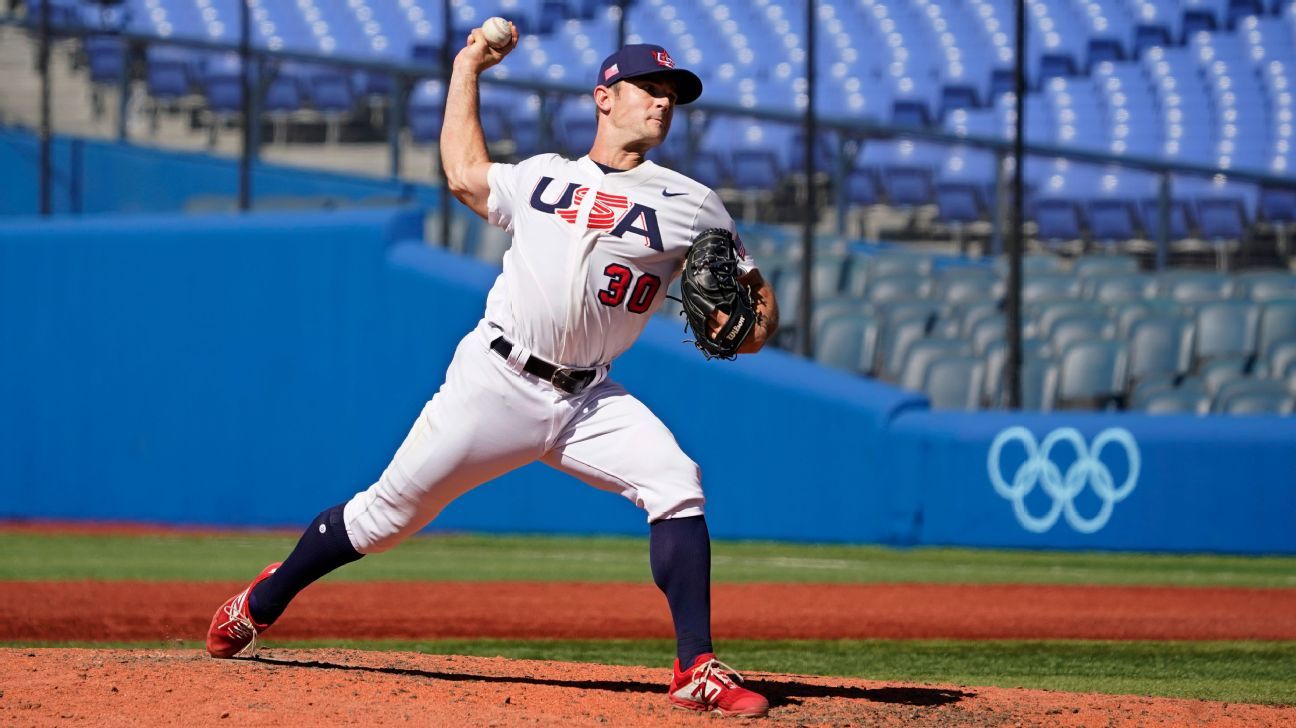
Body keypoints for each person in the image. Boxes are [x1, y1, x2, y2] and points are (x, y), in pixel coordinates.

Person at [205, 26, 779, 719]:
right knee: (385, 517)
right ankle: (261, 601)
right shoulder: (544, 177)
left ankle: (696, 668)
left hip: (588, 397)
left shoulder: (692, 203)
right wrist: (467, 65)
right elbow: (462, 172)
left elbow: (755, 303)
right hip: (497, 382)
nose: (663, 103)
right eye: (649, 89)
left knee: (676, 482)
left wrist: (751, 330)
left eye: (672, 96)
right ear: (604, 97)